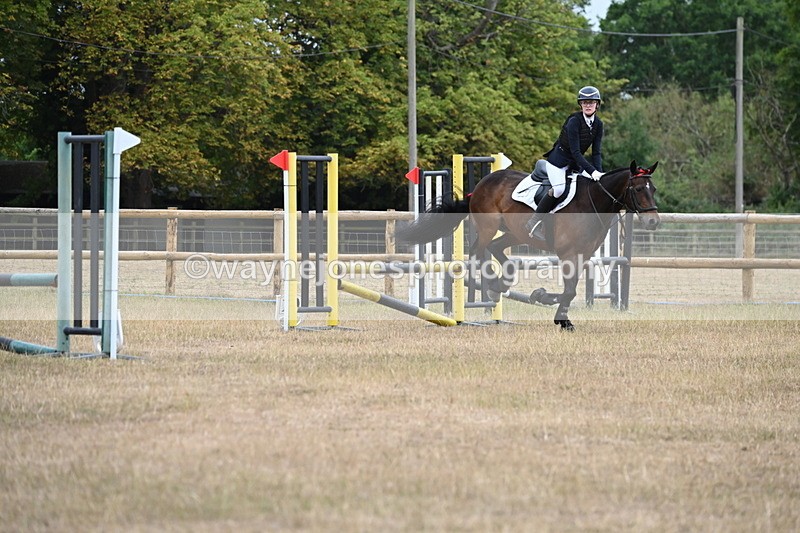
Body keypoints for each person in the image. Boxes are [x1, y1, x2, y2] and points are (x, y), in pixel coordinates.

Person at [525, 85, 605, 240]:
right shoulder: (574, 121)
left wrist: (599, 173)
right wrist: (591, 171)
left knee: (590, 185)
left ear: (597, 104)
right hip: (558, 162)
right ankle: (533, 221)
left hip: (575, 163)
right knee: (559, 190)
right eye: (585, 102)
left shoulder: (598, 124)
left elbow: (596, 152)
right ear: (580, 104)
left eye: (591, 102)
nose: (588, 105)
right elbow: (575, 152)